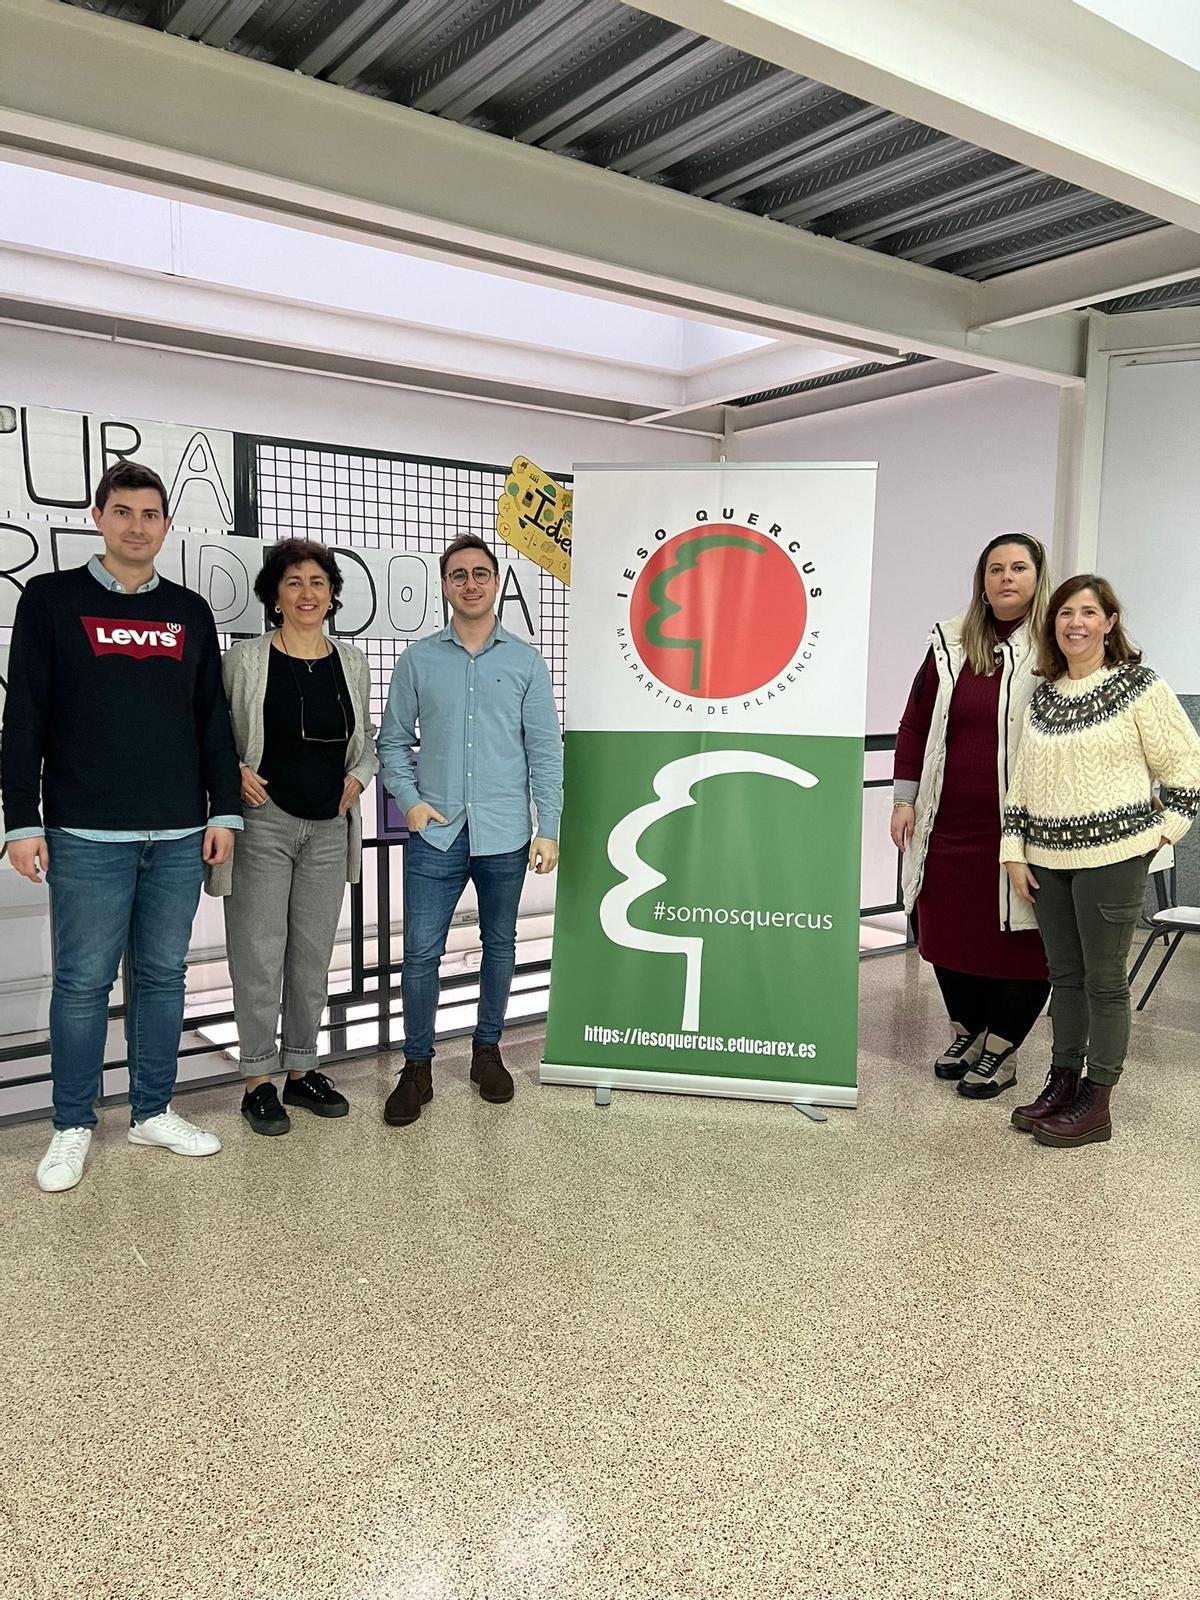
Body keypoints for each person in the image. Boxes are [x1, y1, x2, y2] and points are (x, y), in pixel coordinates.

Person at [1, 460, 241, 1192]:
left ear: (167, 525)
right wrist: (21, 822)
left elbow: (211, 721)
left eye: (150, 514)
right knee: (80, 983)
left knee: (165, 976)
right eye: (123, 512)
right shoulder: (50, 600)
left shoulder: (189, 612)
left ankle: (151, 1110)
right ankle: (73, 1123)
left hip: (175, 834)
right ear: (99, 518)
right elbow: (24, 720)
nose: (137, 526)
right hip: (84, 833)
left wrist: (222, 807)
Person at [1002, 575, 1200, 1147]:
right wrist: (1013, 852)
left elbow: (1185, 764)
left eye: (1089, 612)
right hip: (1047, 858)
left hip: (1114, 858)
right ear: (1053, 624)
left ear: (1110, 622)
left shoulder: (1138, 685)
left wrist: (1163, 831)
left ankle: (1098, 1101)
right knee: (1064, 976)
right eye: (1065, 613)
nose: (1076, 623)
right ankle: (1062, 1083)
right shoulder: (1043, 696)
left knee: (1106, 981)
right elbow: (1022, 784)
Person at [378, 534, 563, 1126]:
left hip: (506, 832)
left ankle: (487, 1052)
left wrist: (548, 826)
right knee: (421, 954)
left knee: (500, 946)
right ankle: (418, 1068)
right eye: (459, 575)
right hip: (436, 832)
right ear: (444, 585)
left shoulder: (525, 660)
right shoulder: (418, 659)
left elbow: (545, 751)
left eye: (481, 574)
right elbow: (391, 743)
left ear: (497, 583)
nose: (471, 584)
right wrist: (408, 801)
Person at [212, 539, 378, 1135]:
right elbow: (211, 735)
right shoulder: (246, 661)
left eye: (317, 582)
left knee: (311, 955)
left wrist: (358, 779)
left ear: (333, 594)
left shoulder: (351, 662)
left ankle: (302, 1070)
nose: (307, 593)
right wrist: (234, 774)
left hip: (329, 828)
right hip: (264, 824)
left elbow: (371, 740)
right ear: (273, 596)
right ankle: (257, 1078)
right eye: (293, 583)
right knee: (258, 953)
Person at [892, 533, 1052, 1099]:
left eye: (1018, 568)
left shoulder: (1056, 643)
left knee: (1020, 939)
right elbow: (914, 723)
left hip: (1023, 828)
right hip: (948, 822)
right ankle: (969, 1030)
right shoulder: (951, 644)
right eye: (995, 569)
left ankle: (1004, 1048)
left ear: (1038, 578)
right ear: (982, 583)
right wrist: (904, 798)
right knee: (946, 932)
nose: (1006, 578)